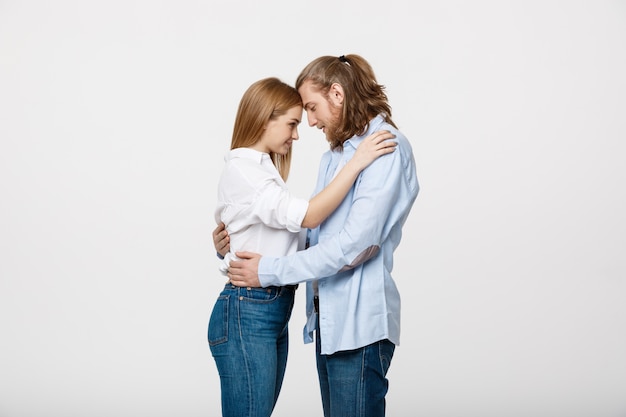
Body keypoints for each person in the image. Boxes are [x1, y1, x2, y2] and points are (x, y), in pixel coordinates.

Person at [218, 54, 420, 417]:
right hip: (329, 322)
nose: (309, 123)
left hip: (358, 324)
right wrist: (238, 239)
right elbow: (312, 233)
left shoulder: (384, 148)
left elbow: (353, 248)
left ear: (338, 94)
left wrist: (268, 271)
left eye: (312, 108)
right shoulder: (337, 156)